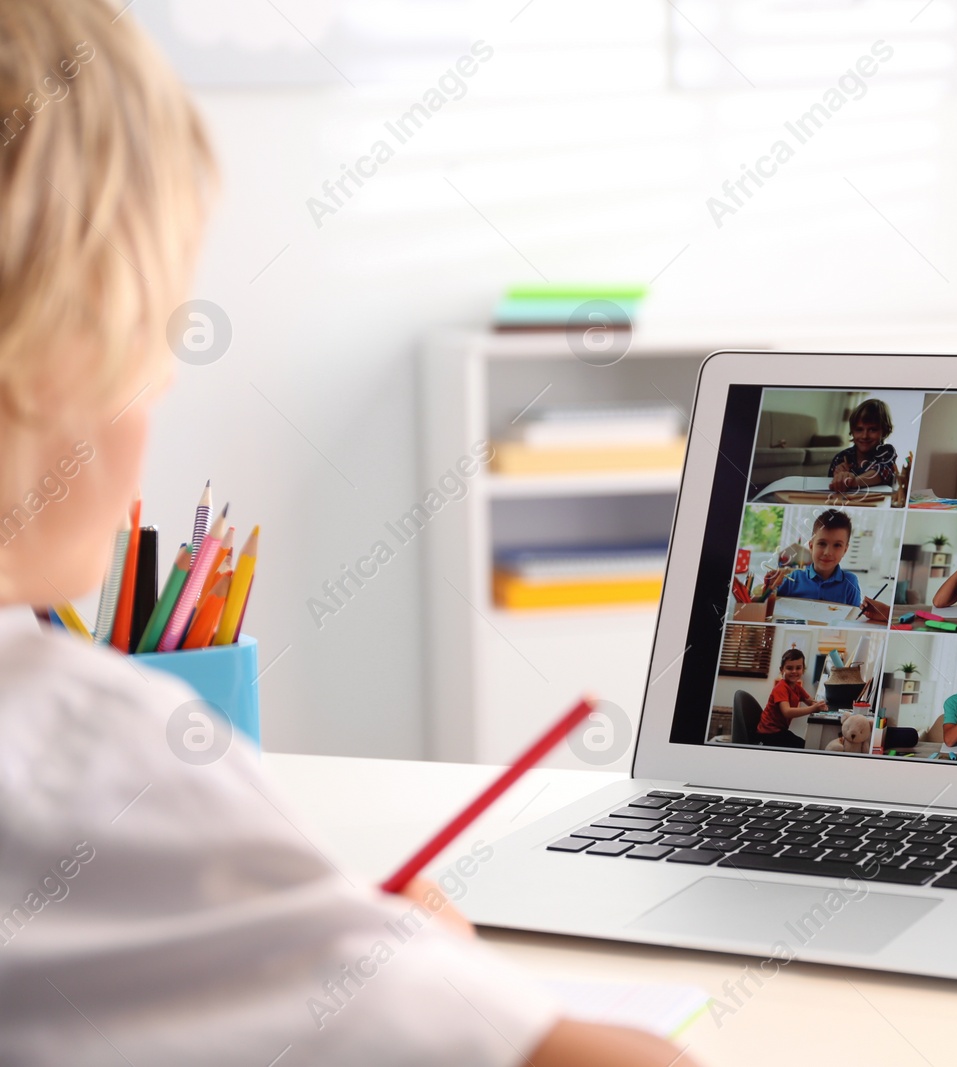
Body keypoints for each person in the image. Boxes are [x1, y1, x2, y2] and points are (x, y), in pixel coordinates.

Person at [0, 4, 689, 1064]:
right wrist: (442, 979)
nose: (162, 387)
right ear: (56, 358)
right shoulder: (75, 750)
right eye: (151, 338)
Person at [765, 509, 889, 623]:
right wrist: (770, 588)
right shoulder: (793, 578)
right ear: (811, 546)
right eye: (822, 543)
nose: (827, 552)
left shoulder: (850, 582)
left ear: (845, 550)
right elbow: (769, 608)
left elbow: (853, 618)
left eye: (837, 545)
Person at [755, 648, 825, 747]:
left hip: (780, 732)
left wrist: (820, 706)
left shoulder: (797, 688)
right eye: (789, 668)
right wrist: (813, 708)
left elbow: (810, 701)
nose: (794, 671)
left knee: (805, 745)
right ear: (782, 670)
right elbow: (787, 712)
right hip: (768, 735)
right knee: (806, 747)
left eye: (798, 668)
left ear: (803, 669)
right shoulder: (781, 688)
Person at [827, 398, 897, 492]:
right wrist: (839, 477)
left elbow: (882, 471)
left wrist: (851, 481)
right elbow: (831, 486)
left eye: (872, 429)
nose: (865, 436)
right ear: (852, 431)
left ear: (884, 432)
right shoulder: (841, 457)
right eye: (859, 429)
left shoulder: (886, 452)